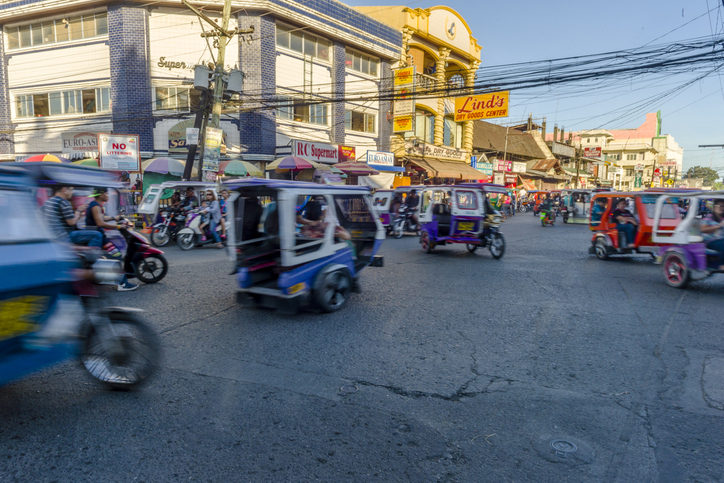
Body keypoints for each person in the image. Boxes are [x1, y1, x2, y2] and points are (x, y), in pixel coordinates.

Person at [86, 187, 138, 291]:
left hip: (99, 236)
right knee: (117, 255)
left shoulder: (96, 205)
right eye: (106, 193)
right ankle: (122, 284)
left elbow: (101, 218)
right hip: (99, 237)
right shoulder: (95, 206)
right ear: (101, 195)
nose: (108, 195)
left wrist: (114, 218)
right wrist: (119, 226)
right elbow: (100, 223)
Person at [700, 199, 724, 270]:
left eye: (723, 206)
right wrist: (719, 226)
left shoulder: (722, 218)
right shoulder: (709, 217)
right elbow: (703, 229)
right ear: (714, 207)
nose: (721, 208)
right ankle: (722, 264)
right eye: (719, 206)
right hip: (710, 241)